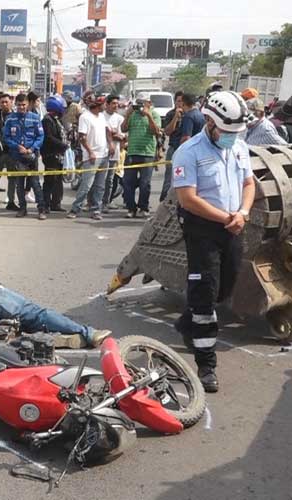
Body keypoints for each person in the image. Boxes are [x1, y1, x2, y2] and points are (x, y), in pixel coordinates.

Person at [172, 91, 255, 393]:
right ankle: (206, 365)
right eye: (227, 131)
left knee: (225, 287)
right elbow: (188, 199)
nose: (232, 137)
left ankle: (186, 321)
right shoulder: (188, 152)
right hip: (202, 229)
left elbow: (248, 183)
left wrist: (243, 213)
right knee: (206, 296)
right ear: (209, 121)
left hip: (233, 225)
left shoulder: (240, 147)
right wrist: (226, 218)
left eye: (236, 132)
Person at [67, 94, 112, 220]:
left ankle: (96, 209)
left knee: (100, 185)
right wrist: (90, 152)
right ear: (99, 105)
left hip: (104, 155)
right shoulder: (85, 117)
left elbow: (107, 130)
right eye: (104, 104)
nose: (105, 106)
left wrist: (111, 144)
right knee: (86, 185)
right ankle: (75, 208)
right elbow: (82, 137)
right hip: (91, 157)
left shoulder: (102, 116)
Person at [4, 93, 46, 220]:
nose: (21, 107)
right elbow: (6, 137)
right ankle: (22, 208)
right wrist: (18, 147)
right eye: (19, 105)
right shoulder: (10, 119)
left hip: (31, 156)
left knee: (35, 184)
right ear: (15, 105)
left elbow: (40, 136)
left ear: (28, 104)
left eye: (24, 105)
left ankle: (41, 209)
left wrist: (31, 149)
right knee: (19, 184)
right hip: (17, 156)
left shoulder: (35, 117)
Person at [120, 92, 161, 218]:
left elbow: (156, 132)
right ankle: (131, 208)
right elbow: (123, 129)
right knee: (128, 182)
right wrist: (127, 114)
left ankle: (143, 207)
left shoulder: (154, 114)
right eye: (138, 103)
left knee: (145, 183)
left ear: (149, 103)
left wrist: (148, 116)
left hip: (147, 153)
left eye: (142, 103)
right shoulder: (132, 114)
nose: (140, 106)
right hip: (132, 152)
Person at [40, 95, 70, 213]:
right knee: (50, 180)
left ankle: (56, 203)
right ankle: (46, 204)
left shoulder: (56, 119)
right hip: (51, 155)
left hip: (59, 155)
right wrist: (63, 145)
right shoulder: (47, 120)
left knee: (58, 180)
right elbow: (49, 138)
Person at [101, 94, 125, 211]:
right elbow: (102, 133)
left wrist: (113, 134)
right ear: (107, 104)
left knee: (110, 180)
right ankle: (93, 203)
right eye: (113, 103)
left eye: (117, 103)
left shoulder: (119, 118)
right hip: (101, 153)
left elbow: (122, 136)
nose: (116, 106)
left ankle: (106, 202)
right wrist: (112, 133)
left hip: (114, 154)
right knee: (99, 179)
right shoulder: (101, 117)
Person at [161, 91, 185, 202]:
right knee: (169, 178)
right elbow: (167, 131)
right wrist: (176, 117)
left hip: (186, 151)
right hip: (173, 149)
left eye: (183, 101)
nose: (181, 104)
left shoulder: (190, 115)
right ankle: (164, 202)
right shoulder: (170, 114)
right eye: (179, 101)